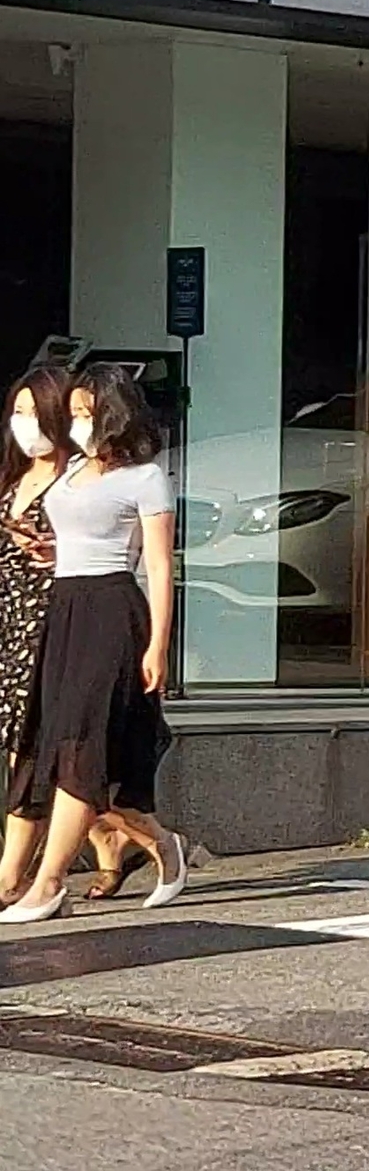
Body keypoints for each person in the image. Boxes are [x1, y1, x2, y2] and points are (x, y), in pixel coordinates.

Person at [0, 367, 187, 923]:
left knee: (81, 744)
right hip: (64, 605)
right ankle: (162, 845)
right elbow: (77, 539)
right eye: (74, 414)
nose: (76, 426)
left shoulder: (146, 478)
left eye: (86, 414)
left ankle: (49, 882)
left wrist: (158, 644)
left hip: (111, 609)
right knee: (56, 739)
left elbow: (156, 566)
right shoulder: (75, 470)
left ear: (112, 414)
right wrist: (49, 553)